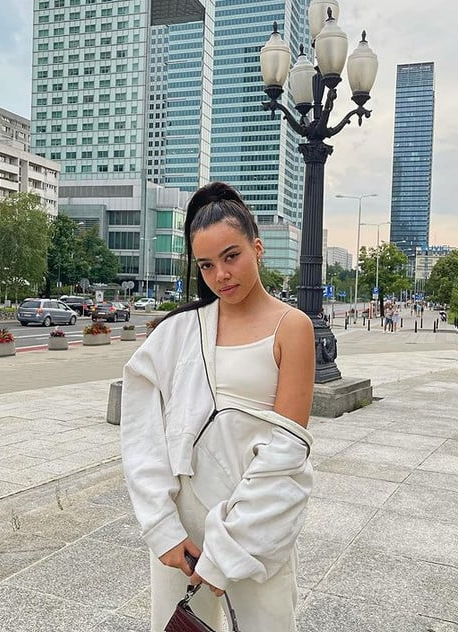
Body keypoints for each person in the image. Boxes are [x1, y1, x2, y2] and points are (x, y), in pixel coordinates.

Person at [120, 182, 315, 631]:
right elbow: (142, 434)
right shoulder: (178, 330)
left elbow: (288, 452)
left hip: (257, 523)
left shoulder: (292, 327)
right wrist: (162, 527)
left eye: (232, 256)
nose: (221, 275)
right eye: (207, 265)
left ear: (257, 248)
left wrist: (229, 549)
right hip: (182, 526)